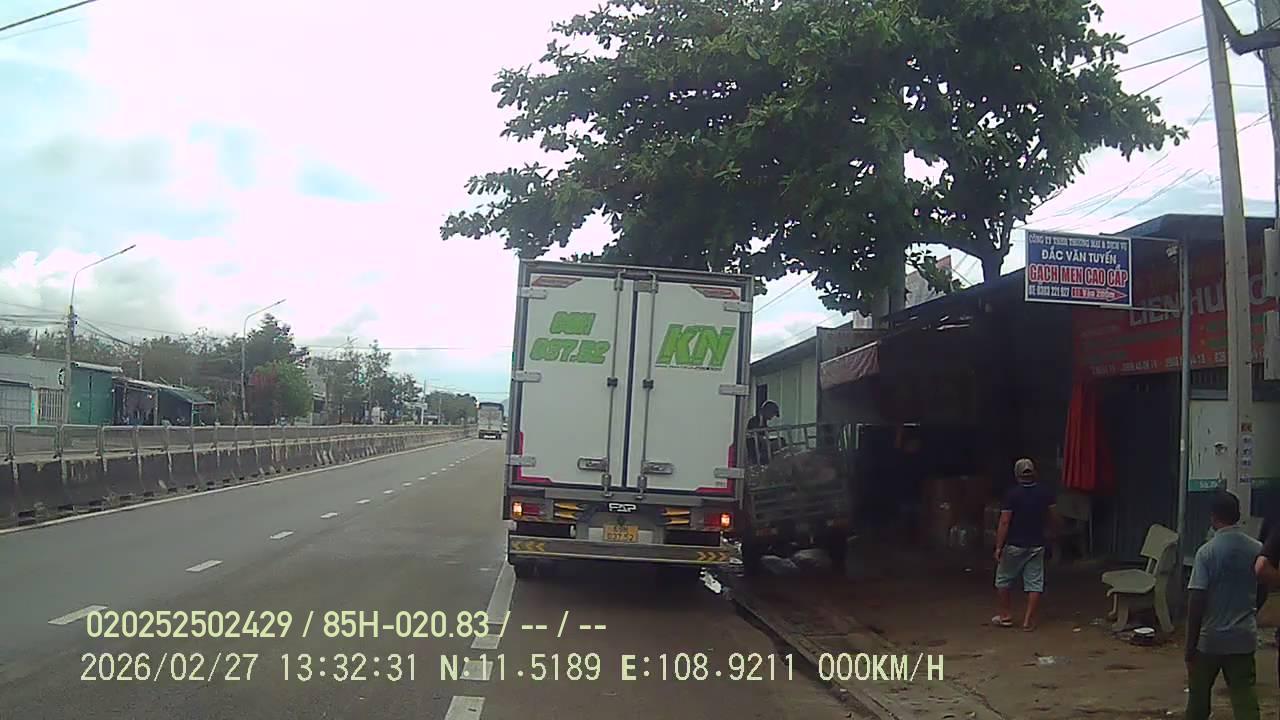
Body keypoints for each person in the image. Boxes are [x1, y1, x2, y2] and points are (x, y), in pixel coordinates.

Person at [1185, 490, 1261, 720]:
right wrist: (1252, 610)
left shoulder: (1206, 552)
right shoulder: (1256, 549)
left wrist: (1190, 647)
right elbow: (1264, 586)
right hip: (1243, 636)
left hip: (1210, 639)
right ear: (1238, 515)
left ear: (1213, 516)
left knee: (1198, 698)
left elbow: (1197, 600)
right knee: (1245, 698)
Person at [992, 458, 1057, 631]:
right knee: (1035, 583)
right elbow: (1053, 517)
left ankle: (1005, 616)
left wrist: (998, 546)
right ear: (1034, 473)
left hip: (1014, 545)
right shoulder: (1045, 492)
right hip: (1037, 544)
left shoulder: (1012, 494)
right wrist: (1053, 535)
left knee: (1003, 579)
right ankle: (1028, 621)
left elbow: (1005, 521)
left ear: (1016, 475)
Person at [746, 400, 779, 465]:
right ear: (767, 411)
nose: (772, 417)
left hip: (760, 448)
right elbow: (755, 434)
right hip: (756, 451)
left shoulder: (763, 421)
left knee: (781, 441)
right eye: (772, 414)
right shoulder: (754, 421)